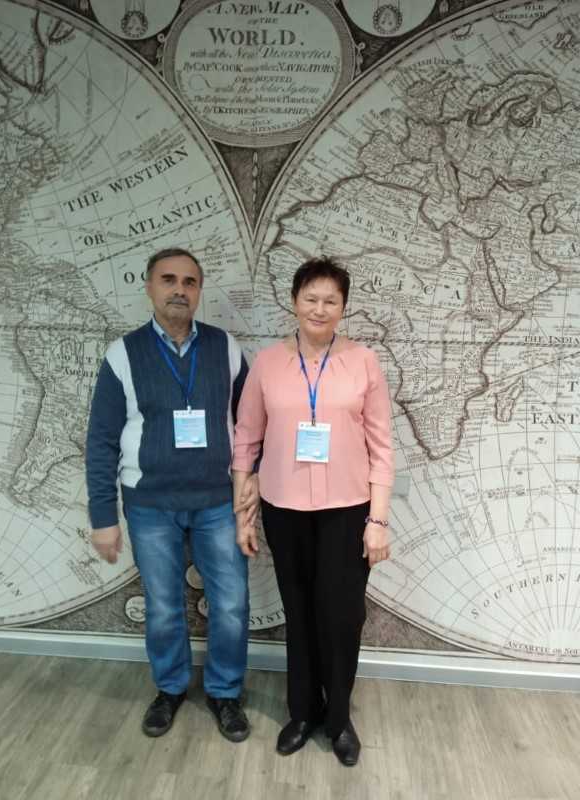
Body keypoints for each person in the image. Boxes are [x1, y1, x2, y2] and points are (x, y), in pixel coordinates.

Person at [86, 247, 257, 743]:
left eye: (189, 281)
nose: (179, 290)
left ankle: (224, 692)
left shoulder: (226, 349)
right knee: (163, 606)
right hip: (150, 505)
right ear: (149, 287)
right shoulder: (122, 355)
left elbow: (251, 425)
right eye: (168, 280)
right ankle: (171, 688)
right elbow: (101, 440)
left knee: (231, 604)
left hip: (218, 502)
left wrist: (250, 481)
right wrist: (103, 516)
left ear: (199, 290)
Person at [232, 256, 394, 766]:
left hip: (347, 511)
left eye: (330, 300)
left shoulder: (363, 362)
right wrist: (243, 514)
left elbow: (382, 448)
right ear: (294, 301)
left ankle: (339, 719)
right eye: (311, 298)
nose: (319, 309)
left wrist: (378, 521)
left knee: (342, 617)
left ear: (343, 307)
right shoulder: (267, 363)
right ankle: (302, 713)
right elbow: (246, 441)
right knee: (299, 613)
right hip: (284, 509)